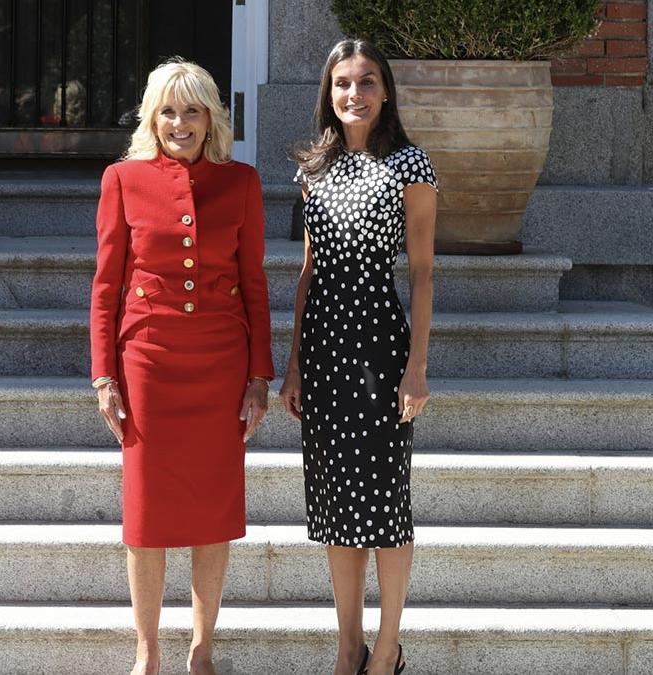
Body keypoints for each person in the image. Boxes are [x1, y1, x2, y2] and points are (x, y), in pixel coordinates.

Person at [89, 59, 273, 675]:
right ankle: (147, 651)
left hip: (221, 363)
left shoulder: (240, 182)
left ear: (211, 118)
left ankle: (202, 649)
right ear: (151, 117)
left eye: (192, 110)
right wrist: (104, 376)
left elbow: (254, 283)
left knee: (212, 508)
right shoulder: (122, 179)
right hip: (148, 360)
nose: (179, 123)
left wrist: (259, 378)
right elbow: (106, 286)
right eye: (168, 111)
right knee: (146, 510)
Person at [279, 39, 437, 675]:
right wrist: (291, 363)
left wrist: (417, 367)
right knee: (336, 505)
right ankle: (348, 647)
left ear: (385, 91)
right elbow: (308, 274)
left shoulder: (410, 166)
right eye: (342, 83)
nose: (354, 94)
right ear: (329, 92)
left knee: (385, 504)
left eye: (366, 82)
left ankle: (389, 646)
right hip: (322, 352)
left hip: (379, 348)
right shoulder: (314, 167)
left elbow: (423, 275)